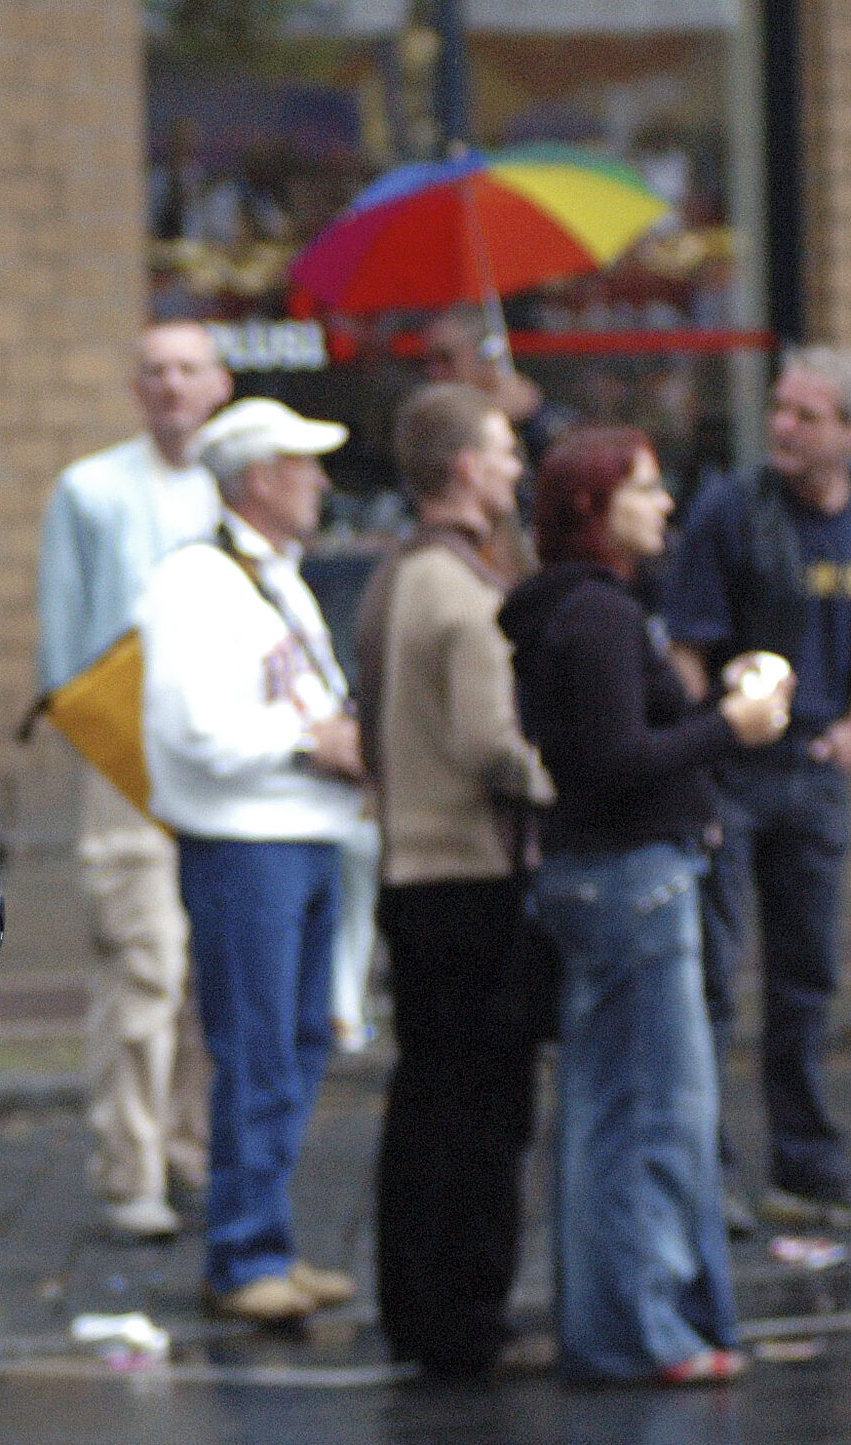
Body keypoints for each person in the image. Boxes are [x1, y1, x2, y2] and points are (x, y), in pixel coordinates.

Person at [500, 426, 790, 1383]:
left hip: (603, 880)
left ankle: (626, 1325)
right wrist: (730, 726)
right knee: (652, 1119)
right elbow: (613, 763)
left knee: (608, 1115)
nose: (666, 505)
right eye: (647, 488)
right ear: (594, 509)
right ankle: (646, 1331)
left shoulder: (583, 612)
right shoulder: (600, 618)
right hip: (634, 885)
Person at [136, 396, 364, 1325]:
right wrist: (314, 740)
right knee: (260, 1047)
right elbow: (193, 727)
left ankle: (261, 1236)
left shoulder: (275, 579)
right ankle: (245, 1252)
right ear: (260, 477)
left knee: (296, 1043)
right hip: (250, 846)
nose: (319, 481)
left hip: (301, 842)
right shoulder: (198, 580)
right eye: (304, 464)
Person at [353, 384, 553, 1376]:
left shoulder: (399, 573)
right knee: (475, 1110)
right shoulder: (456, 587)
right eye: (505, 448)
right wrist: (563, 778)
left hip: (414, 870)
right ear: (466, 466)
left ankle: (419, 1308)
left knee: (429, 1097)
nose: (518, 465)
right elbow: (489, 743)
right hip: (466, 875)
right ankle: (465, 1317)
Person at [35, 319, 230, 1240]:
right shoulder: (92, 491)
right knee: (141, 956)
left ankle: (189, 1147)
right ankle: (130, 1167)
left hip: (228, 752)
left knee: (210, 965)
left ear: (220, 383)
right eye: (153, 369)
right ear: (133, 385)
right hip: (125, 750)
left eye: (189, 369)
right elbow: (66, 643)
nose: (172, 385)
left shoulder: (241, 486)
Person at [662, 347, 851, 1230]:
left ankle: (806, 1165)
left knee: (807, 978)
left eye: (806, 416)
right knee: (714, 978)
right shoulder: (731, 510)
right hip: (736, 774)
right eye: (779, 408)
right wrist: (699, 748)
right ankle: (713, 1170)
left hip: (817, 776)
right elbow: (689, 650)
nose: (782, 426)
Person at [420, 307, 576, 470]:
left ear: (486, 356)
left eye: (445, 358)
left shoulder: (543, 423)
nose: (434, 372)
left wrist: (532, 417)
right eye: (429, 361)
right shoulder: (430, 430)